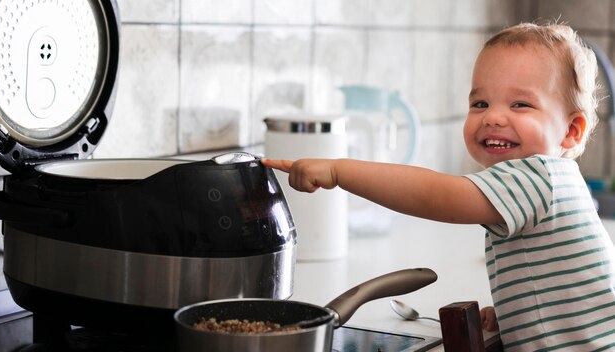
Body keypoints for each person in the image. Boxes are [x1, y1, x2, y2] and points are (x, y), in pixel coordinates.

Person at [262, 22, 615, 351]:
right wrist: (513, 310)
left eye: (520, 104)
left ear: (571, 130)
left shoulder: (536, 177)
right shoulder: (556, 178)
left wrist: (340, 171)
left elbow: (436, 195)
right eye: (480, 103)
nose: (492, 116)